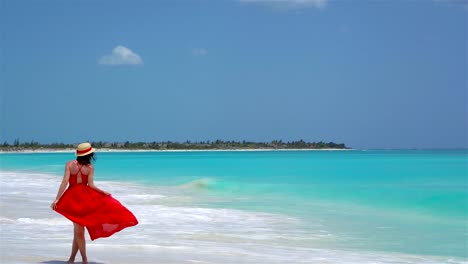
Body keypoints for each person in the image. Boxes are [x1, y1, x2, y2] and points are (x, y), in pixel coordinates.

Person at [51, 142, 138, 264]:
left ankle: (77, 260)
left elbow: (64, 182)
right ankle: (78, 260)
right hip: (85, 199)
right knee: (78, 230)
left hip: (72, 198)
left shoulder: (69, 164)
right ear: (88, 155)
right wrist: (102, 192)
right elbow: (91, 186)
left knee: (78, 230)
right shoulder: (90, 168)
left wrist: (57, 198)